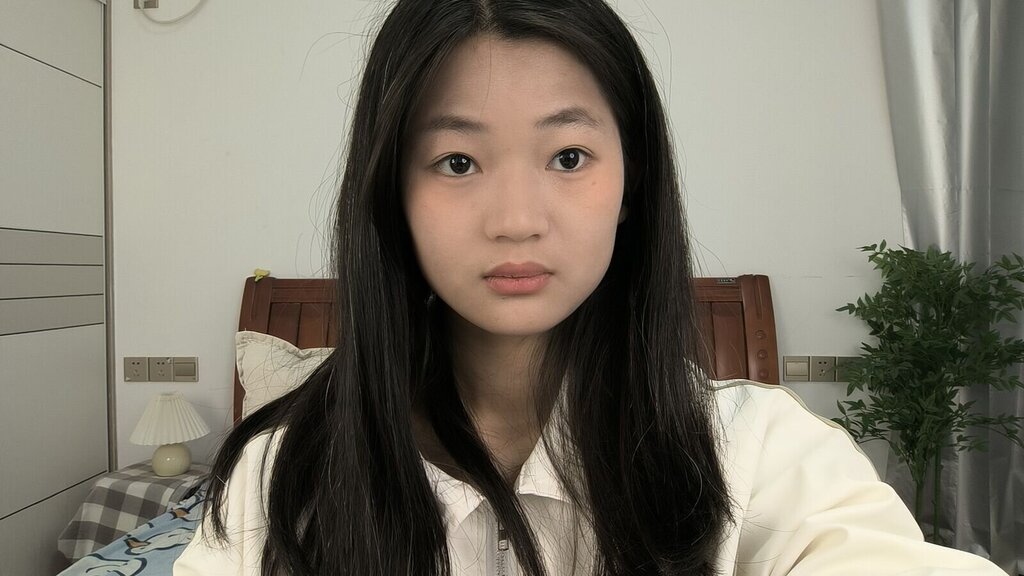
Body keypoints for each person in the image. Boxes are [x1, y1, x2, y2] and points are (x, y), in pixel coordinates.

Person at [174, 1, 1006, 574]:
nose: (516, 220)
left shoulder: (756, 455)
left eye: (568, 157)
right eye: (457, 162)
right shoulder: (281, 474)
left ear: (631, 180)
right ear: (392, 190)